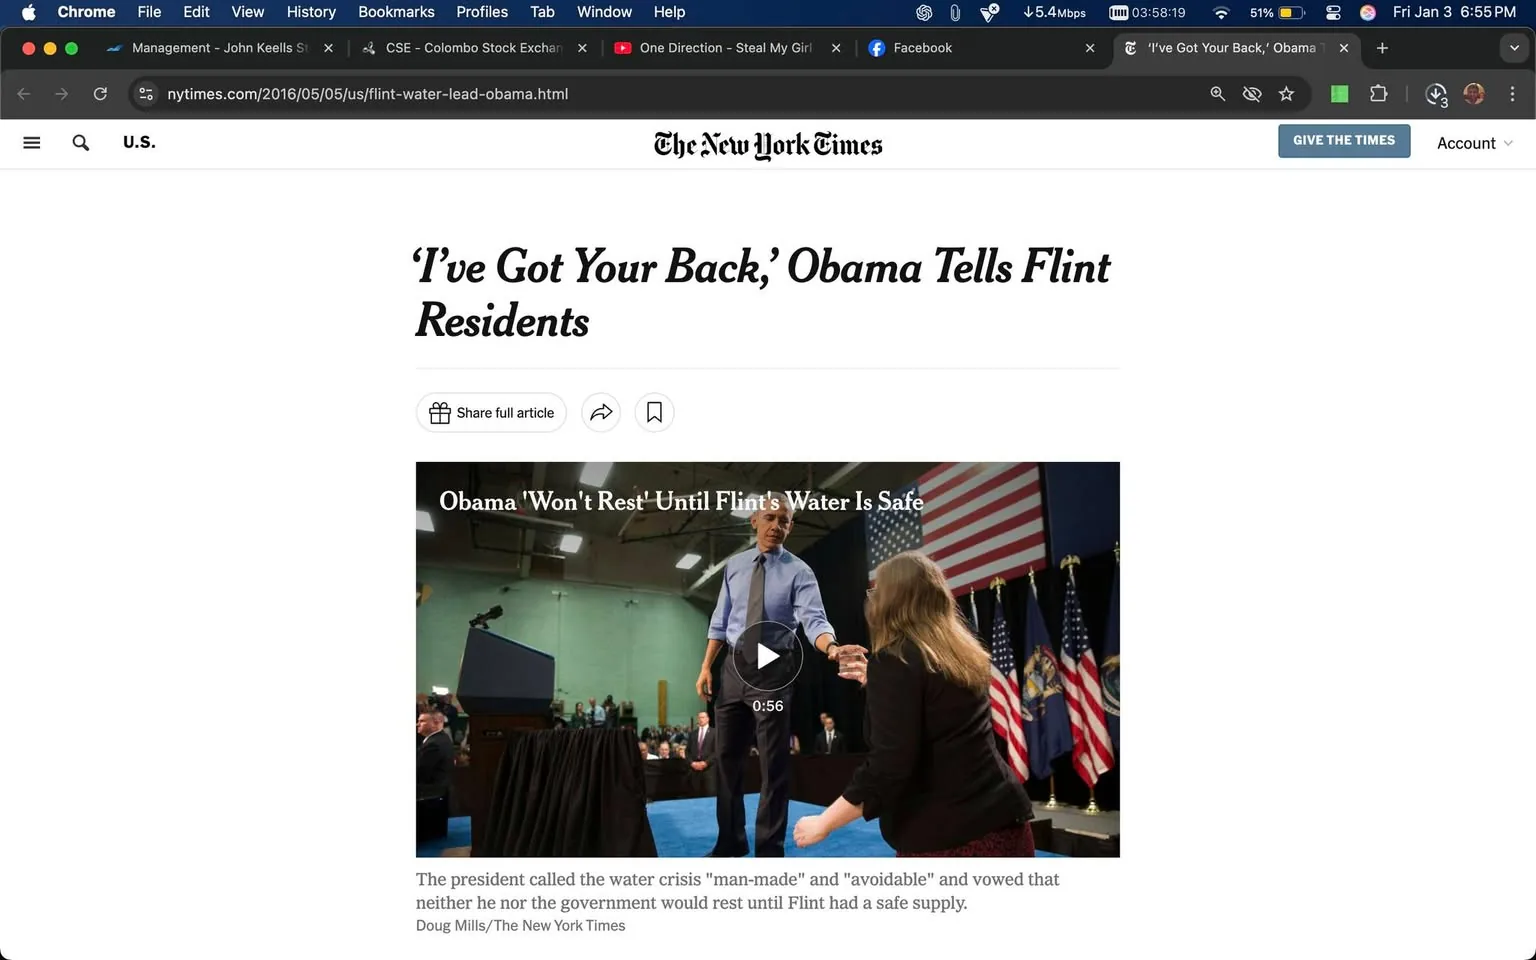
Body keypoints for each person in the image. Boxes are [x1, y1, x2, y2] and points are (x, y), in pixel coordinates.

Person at [792, 551, 1034, 857]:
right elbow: (939, 710)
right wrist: (876, 682)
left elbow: (889, 766)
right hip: (1007, 822)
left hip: (951, 838)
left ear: (892, 600)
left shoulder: (895, 660)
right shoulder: (963, 652)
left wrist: (824, 821)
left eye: (877, 592)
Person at [695, 491, 866, 858]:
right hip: (733, 668)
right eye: (770, 518)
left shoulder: (800, 571)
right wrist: (706, 666)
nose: (776, 526)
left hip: (772, 666)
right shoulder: (735, 566)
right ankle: (730, 842)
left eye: (784, 520)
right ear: (754, 520)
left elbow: (814, 620)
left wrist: (832, 648)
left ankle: (769, 850)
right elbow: (720, 622)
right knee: (726, 760)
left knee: (773, 763)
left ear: (791, 526)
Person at [416, 709, 454, 801]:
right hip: (439, 793)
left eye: (422, 721)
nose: (417, 724)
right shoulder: (442, 738)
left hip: (429, 796)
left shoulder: (434, 744)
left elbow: (421, 773)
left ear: (435, 723)